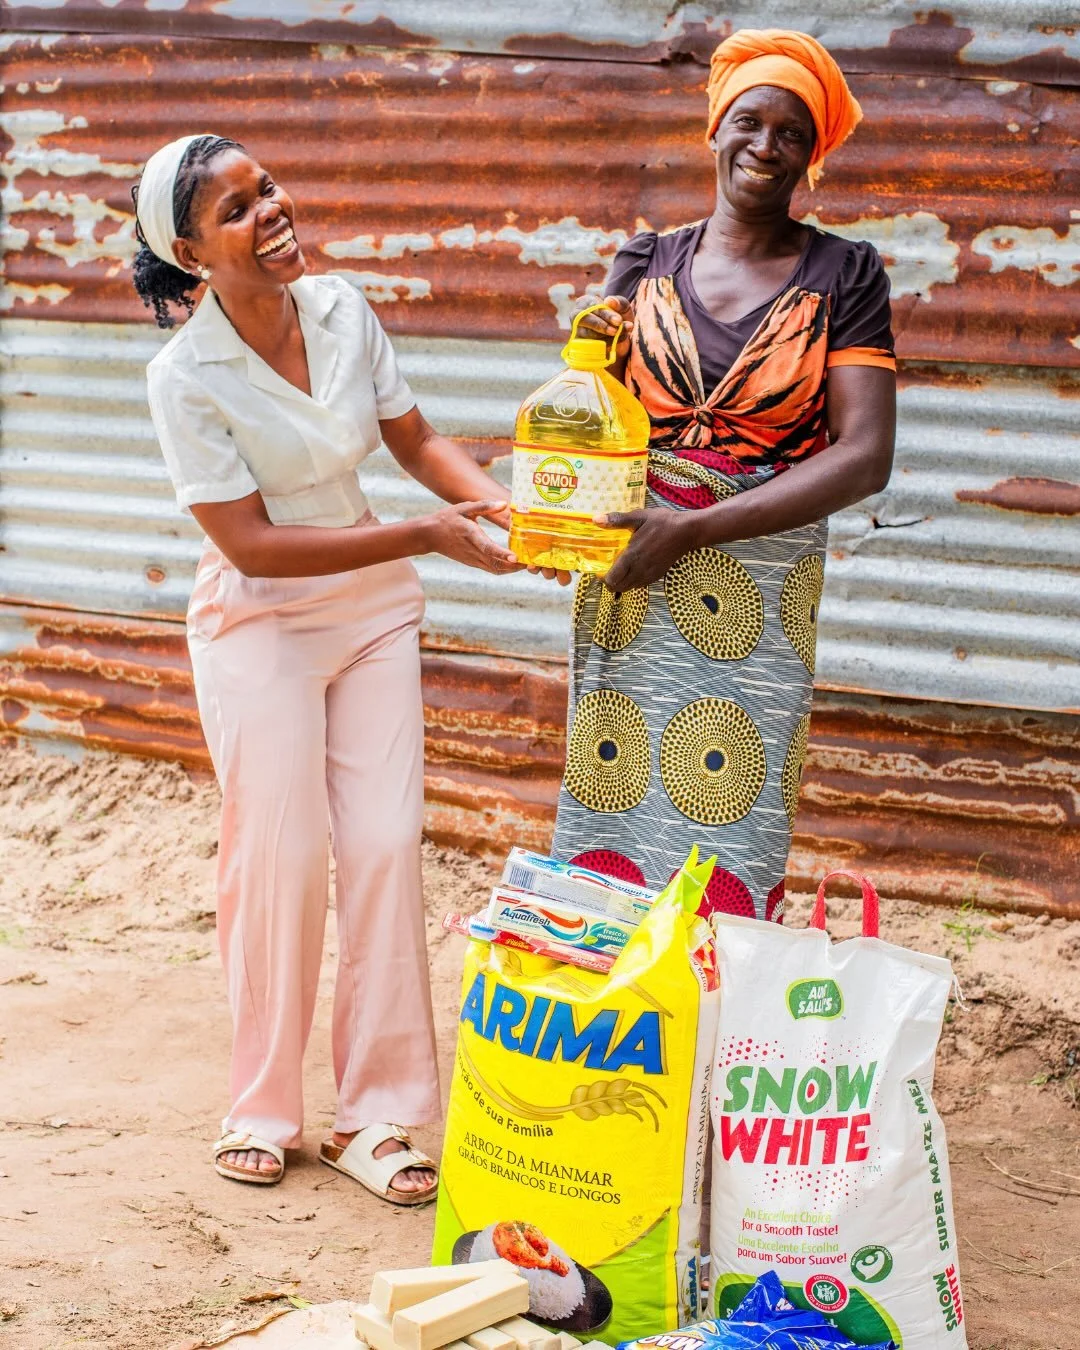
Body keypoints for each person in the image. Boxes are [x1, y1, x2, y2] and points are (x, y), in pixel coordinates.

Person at [133, 133, 520, 1203]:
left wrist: (503, 510)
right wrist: (425, 536)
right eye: (239, 209)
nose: (274, 210)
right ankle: (262, 1105)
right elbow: (251, 544)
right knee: (285, 856)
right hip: (261, 621)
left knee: (390, 845)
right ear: (190, 251)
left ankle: (381, 1119)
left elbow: (415, 438)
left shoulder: (344, 308)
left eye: (270, 188)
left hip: (371, 614)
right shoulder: (184, 377)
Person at [551, 30, 896, 920]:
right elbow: (590, 418)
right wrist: (553, 517)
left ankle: (711, 1022)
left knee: (730, 809)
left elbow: (865, 455)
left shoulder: (843, 274)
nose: (766, 147)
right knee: (610, 801)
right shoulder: (644, 262)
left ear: (812, 155)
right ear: (715, 129)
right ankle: (614, 1022)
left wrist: (696, 527)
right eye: (750, 121)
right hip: (633, 573)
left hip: (758, 591)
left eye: (792, 132)